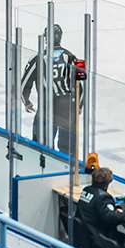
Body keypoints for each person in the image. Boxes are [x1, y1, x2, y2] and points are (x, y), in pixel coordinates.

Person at [19, 23, 86, 156]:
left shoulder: (37, 58)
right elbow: (82, 83)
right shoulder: (73, 57)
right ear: (60, 37)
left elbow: (24, 83)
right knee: (67, 152)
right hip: (67, 110)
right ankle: (67, 174)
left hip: (46, 109)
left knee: (41, 147)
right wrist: (79, 104)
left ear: (45, 38)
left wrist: (26, 101)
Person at [74, 166, 125, 248]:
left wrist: (113, 208)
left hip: (85, 234)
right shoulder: (103, 197)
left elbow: (95, 206)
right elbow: (109, 217)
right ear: (107, 184)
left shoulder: (86, 190)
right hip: (97, 237)